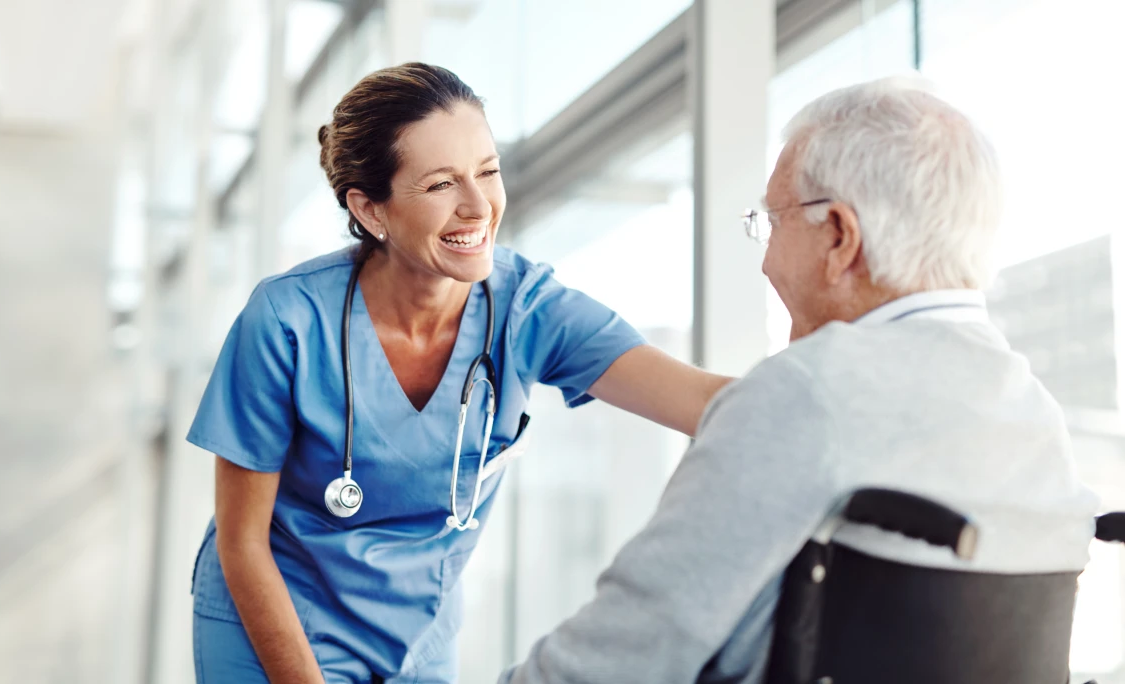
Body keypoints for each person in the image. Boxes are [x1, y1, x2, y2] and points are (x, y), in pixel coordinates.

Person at [497, 77, 1100, 684]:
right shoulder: (1036, 417)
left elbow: (620, 655)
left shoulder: (808, 389)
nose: (765, 259)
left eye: (773, 222)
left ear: (838, 236)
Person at [185, 63, 733, 683]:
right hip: (278, 621)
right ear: (371, 210)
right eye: (442, 184)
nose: (479, 207)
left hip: (419, 631)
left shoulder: (530, 308)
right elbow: (242, 542)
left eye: (489, 171)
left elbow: (710, 403)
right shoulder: (287, 319)